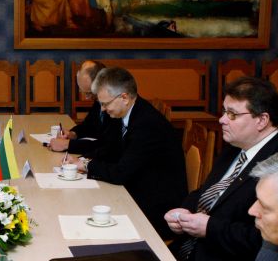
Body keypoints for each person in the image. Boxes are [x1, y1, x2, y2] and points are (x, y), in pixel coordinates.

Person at [165, 77, 278, 261]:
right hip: (191, 251)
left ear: (262, 120)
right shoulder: (236, 147)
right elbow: (206, 192)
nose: (222, 119)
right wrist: (182, 212)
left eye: (232, 114)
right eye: (224, 111)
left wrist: (210, 228)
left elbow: (266, 240)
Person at [65, 67, 187, 239]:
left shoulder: (147, 124)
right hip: (137, 188)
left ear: (124, 98)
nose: (102, 109)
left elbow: (121, 173)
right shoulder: (126, 113)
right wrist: (82, 161)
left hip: (156, 209)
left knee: (86, 214)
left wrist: (87, 165)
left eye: (105, 104)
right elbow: (109, 149)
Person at [49, 60, 106, 153]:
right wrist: (72, 134)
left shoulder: (114, 107)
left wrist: (67, 145)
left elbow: (107, 146)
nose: (86, 98)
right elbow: (88, 126)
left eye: (89, 93)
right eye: (81, 90)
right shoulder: (98, 100)